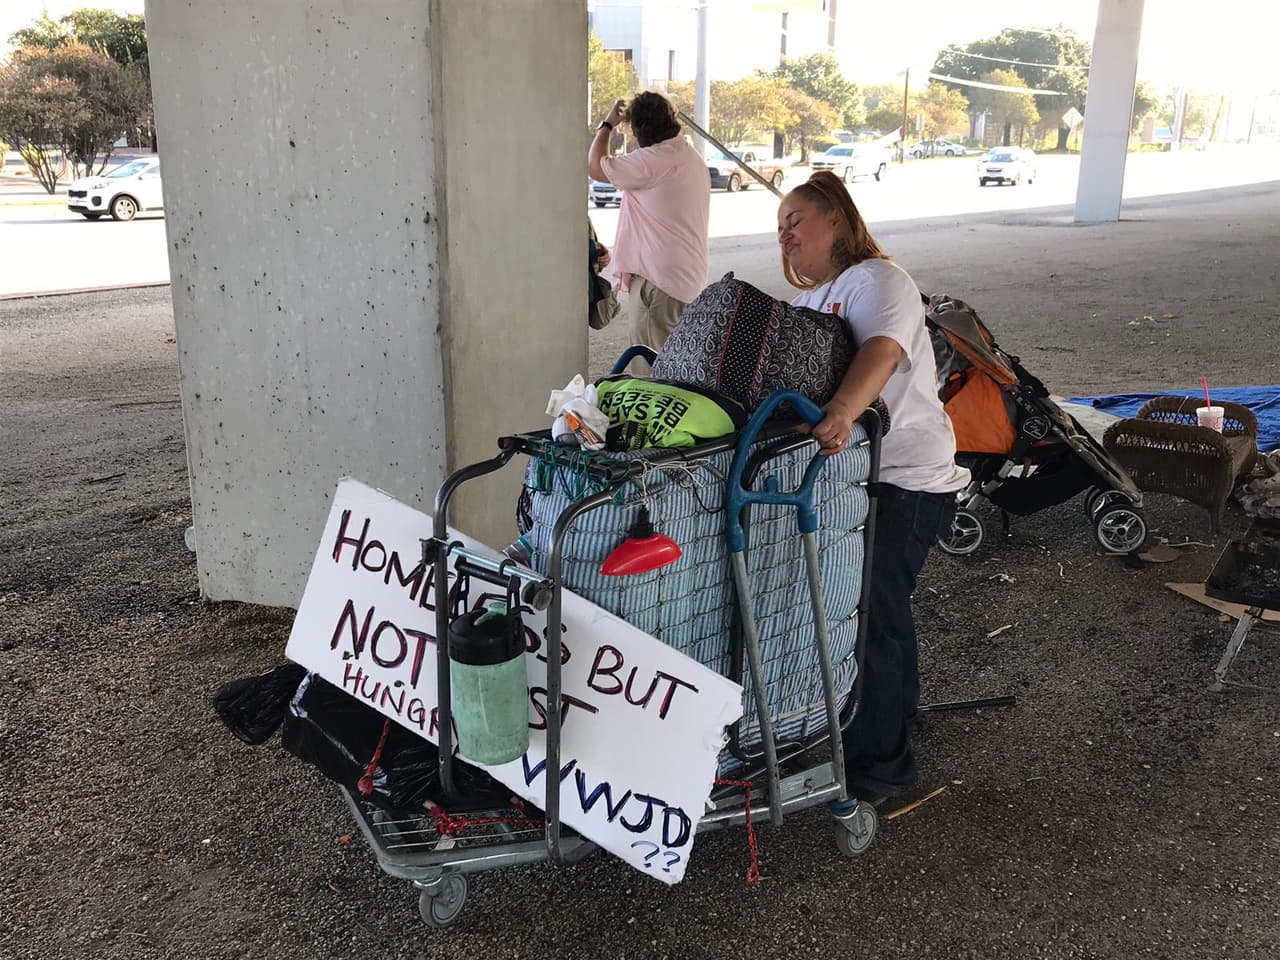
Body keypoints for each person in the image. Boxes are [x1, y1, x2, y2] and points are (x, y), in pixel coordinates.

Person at [776, 170, 970, 803]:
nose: (786, 236)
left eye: (796, 221)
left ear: (835, 217)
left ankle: (879, 769)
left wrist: (841, 411)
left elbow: (882, 350)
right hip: (856, 479)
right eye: (779, 229)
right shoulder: (811, 301)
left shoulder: (878, 281)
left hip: (907, 476)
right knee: (876, 608)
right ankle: (895, 716)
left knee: (867, 616)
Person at [588, 92, 710, 353]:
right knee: (677, 366)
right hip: (688, 280)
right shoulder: (691, 158)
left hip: (658, 284)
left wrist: (609, 122)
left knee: (648, 371)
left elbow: (596, 165)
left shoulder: (653, 160)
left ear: (641, 130)